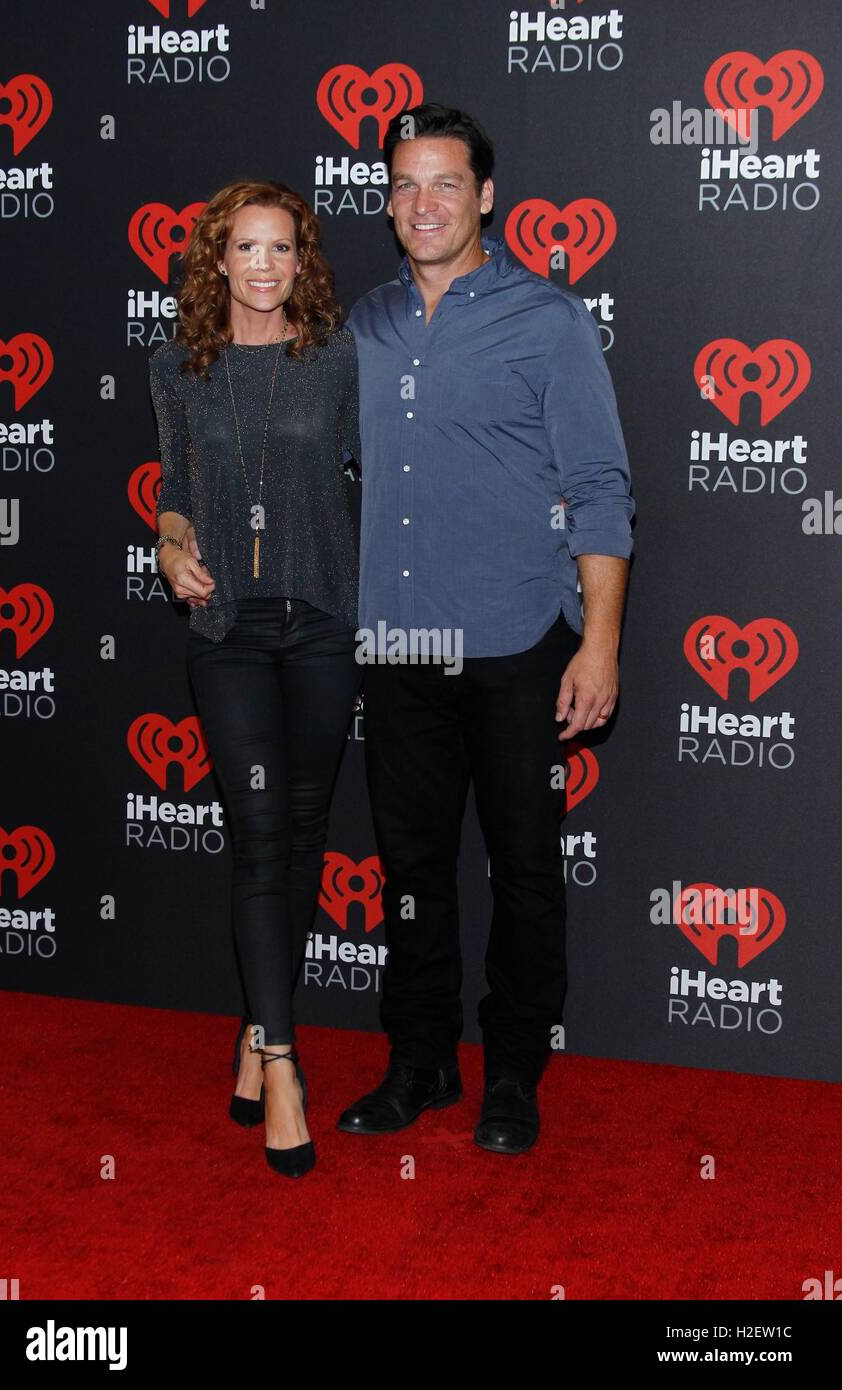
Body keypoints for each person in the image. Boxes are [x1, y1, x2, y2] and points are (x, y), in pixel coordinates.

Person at [337, 105, 635, 1155]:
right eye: (406, 186)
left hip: (516, 640)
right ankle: (418, 1061)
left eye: (446, 184)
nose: (425, 204)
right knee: (410, 871)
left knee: (523, 868)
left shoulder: (547, 319)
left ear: (485, 197)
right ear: (385, 200)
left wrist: (597, 641)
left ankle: (512, 1068)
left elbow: (599, 485)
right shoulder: (360, 323)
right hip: (398, 644)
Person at [149, 179, 361, 1178]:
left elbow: (386, 481)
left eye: (283, 248)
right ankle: (281, 1063)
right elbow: (177, 498)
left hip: (322, 624)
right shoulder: (179, 369)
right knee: (260, 840)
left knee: (305, 839)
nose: (265, 265)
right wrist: (167, 548)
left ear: (300, 262)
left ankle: (251, 1028)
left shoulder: (338, 361)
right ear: (218, 261)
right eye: (247, 248)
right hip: (228, 631)